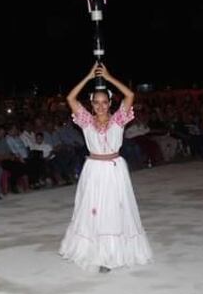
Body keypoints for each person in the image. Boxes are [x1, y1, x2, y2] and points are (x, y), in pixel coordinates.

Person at [59, 63, 153, 273]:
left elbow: (129, 95)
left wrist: (108, 77)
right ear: (91, 104)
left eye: (104, 102)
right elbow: (70, 99)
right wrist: (88, 76)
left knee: (112, 210)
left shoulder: (118, 119)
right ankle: (96, 252)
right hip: (93, 169)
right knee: (93, 210)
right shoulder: (86, 121)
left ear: (110, 102)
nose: (100, 106)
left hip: (114, 169)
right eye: (96, 102)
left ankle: (110, 255)